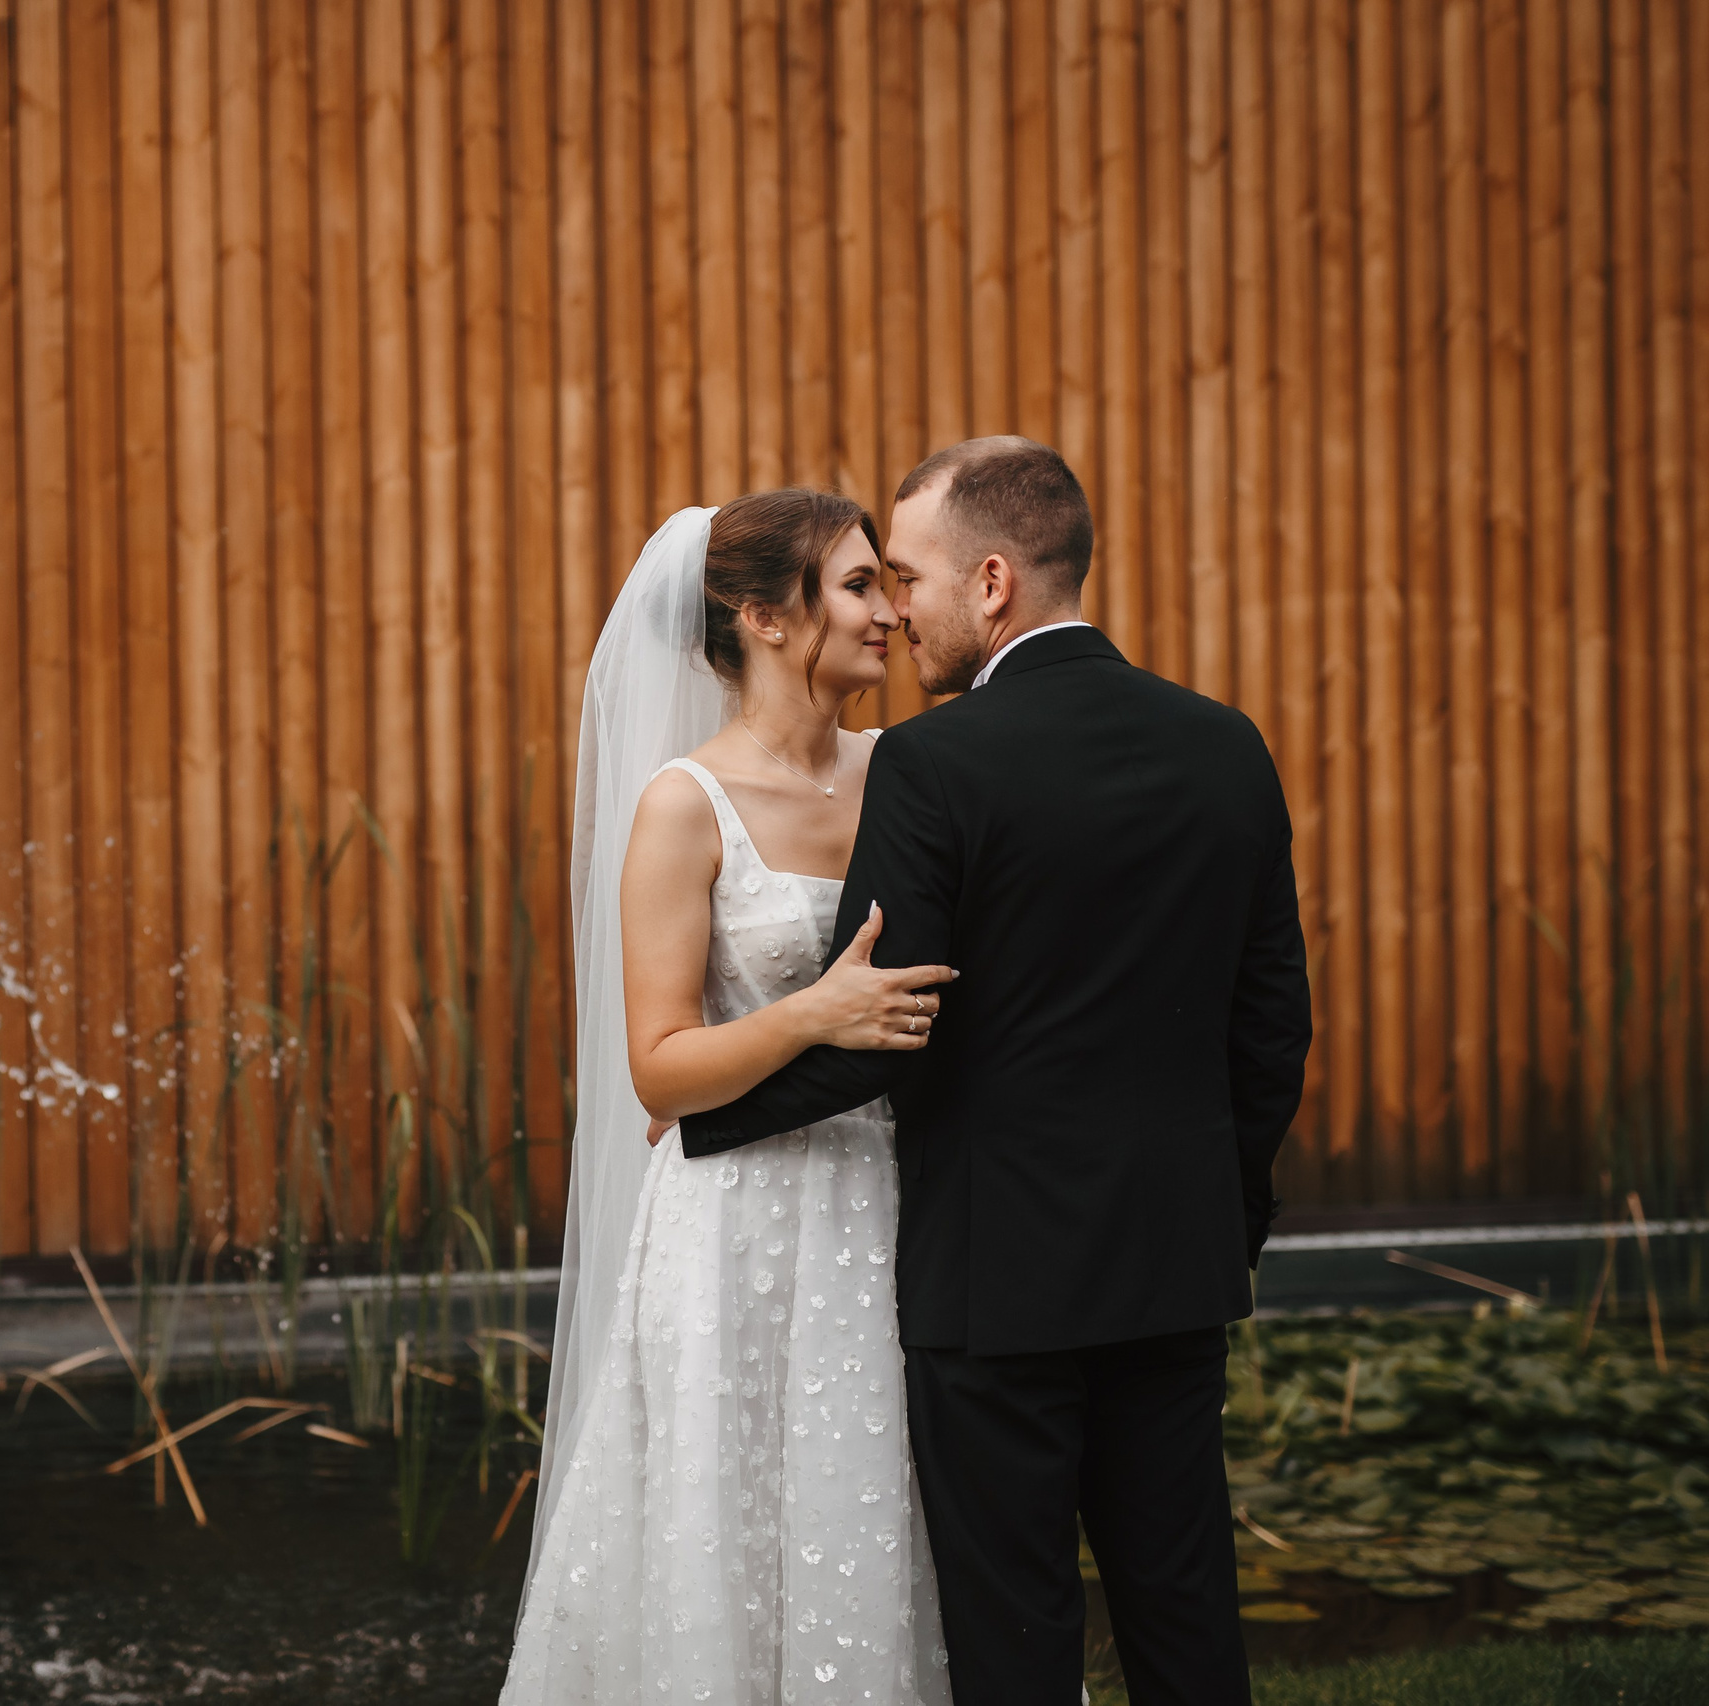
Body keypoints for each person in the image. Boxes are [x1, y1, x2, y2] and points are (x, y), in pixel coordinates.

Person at [683, 438, 1313, 1706]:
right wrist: (1225, 1213)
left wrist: (705, 1118)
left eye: (905, 577)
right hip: (1174, 1261)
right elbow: (1271, 1028)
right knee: (1185, 1616)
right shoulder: (1225, 742)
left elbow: (889, 1014)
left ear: (989, 582)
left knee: (1012, 1633)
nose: (895, 608)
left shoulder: (935, 762)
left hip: (994, 1277)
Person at [503, 489, 960, 1706]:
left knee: (879, 1504)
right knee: (729, 1512)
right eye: (860, 585)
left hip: (892, 1205)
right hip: (733, 1221)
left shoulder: (909, 772)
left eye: (888, 582)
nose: (891, 611)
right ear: (763, 615)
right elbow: (657, 1066)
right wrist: (811, 1012)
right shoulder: (681, 804)